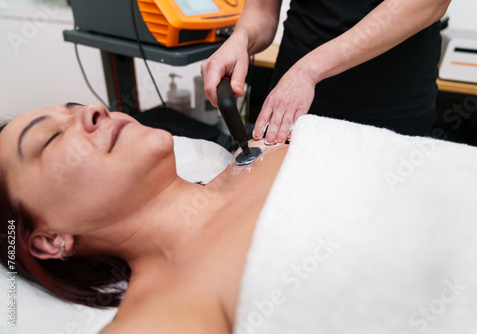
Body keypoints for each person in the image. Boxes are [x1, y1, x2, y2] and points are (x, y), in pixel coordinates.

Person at [0, 102, 287, 333]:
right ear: (49, 239)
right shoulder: (165, 313)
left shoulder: (251, 151)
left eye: (76, 106)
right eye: (51, 137)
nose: (94, 109)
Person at [201, 0, 452, 143]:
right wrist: (240, 39)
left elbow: (427, 4)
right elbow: (261, 12)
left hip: (391, 104)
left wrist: (308, 71)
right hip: (290, 103)